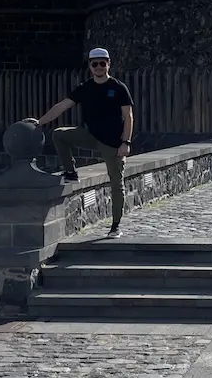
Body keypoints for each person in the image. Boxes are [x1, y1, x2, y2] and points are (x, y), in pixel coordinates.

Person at [30, 47, 134, 236]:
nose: (99, 67)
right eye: (95, 64)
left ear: (108, 64)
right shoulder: (84, 88)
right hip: (91, 135)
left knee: (116, 183)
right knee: (59, 134)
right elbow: (62, 106)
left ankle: (115, 225)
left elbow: (128, 116)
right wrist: (40, 121)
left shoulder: (118, 88)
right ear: (90, 66)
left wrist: (125, 142)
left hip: (113, 143)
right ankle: (70, 172)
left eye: (103, 63)